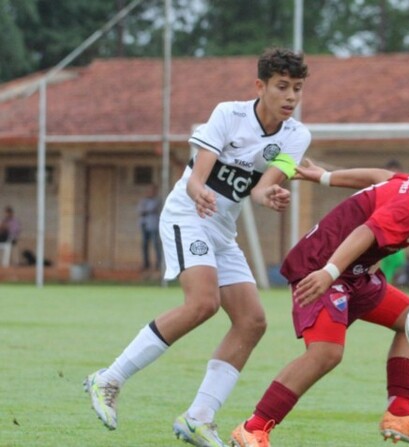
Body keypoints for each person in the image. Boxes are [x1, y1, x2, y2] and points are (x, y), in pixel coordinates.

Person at [84, 47, 311, 447]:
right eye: (282, 87)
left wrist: (268, 197)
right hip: (188, 216)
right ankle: (108, 379)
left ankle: (199, 418)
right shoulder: (229, 115)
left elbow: (260, 188)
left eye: (297, 88)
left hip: (222, 232)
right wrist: (199, 191)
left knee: (252, 321)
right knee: (202, 303)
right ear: (260, 86)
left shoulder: (298, 135)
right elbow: (195, 178)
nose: (291, 96)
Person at [230, 142, 409, 447]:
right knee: (326, 353)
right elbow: (364, 232)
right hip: (320, 266)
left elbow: (381, 176)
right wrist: (329, 273)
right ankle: (252, 428)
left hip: (353, 271)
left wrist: (324, 177)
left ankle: (400, 414)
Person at [138, 184, 163, 271]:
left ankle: (158, 264)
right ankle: (146, 264)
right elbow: (140, 210)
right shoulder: (143, 200)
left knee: (156, 245)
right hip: (144, 225)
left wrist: (145, 211)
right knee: (144, 245)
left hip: (153, 225)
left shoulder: (157, 200)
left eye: (151, 190)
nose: (149, 192)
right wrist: (145, 210)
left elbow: (151, 209)